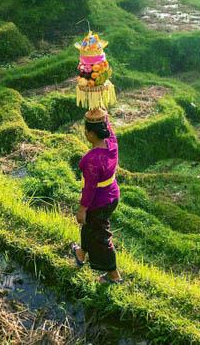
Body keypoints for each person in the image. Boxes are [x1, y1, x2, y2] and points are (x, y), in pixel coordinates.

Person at [70, 108, 122, 283]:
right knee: (89, 226)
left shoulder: (92, 159)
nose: (84, 133)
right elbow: (108, 126)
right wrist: (98, 109)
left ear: (91, 134)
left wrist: (82, 210)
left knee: (100, 236)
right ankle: (81, 254)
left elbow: (90, 189)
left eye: (86, 130)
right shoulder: (111, 142)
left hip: (99, 201)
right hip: (112, 195)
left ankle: (113, 275)